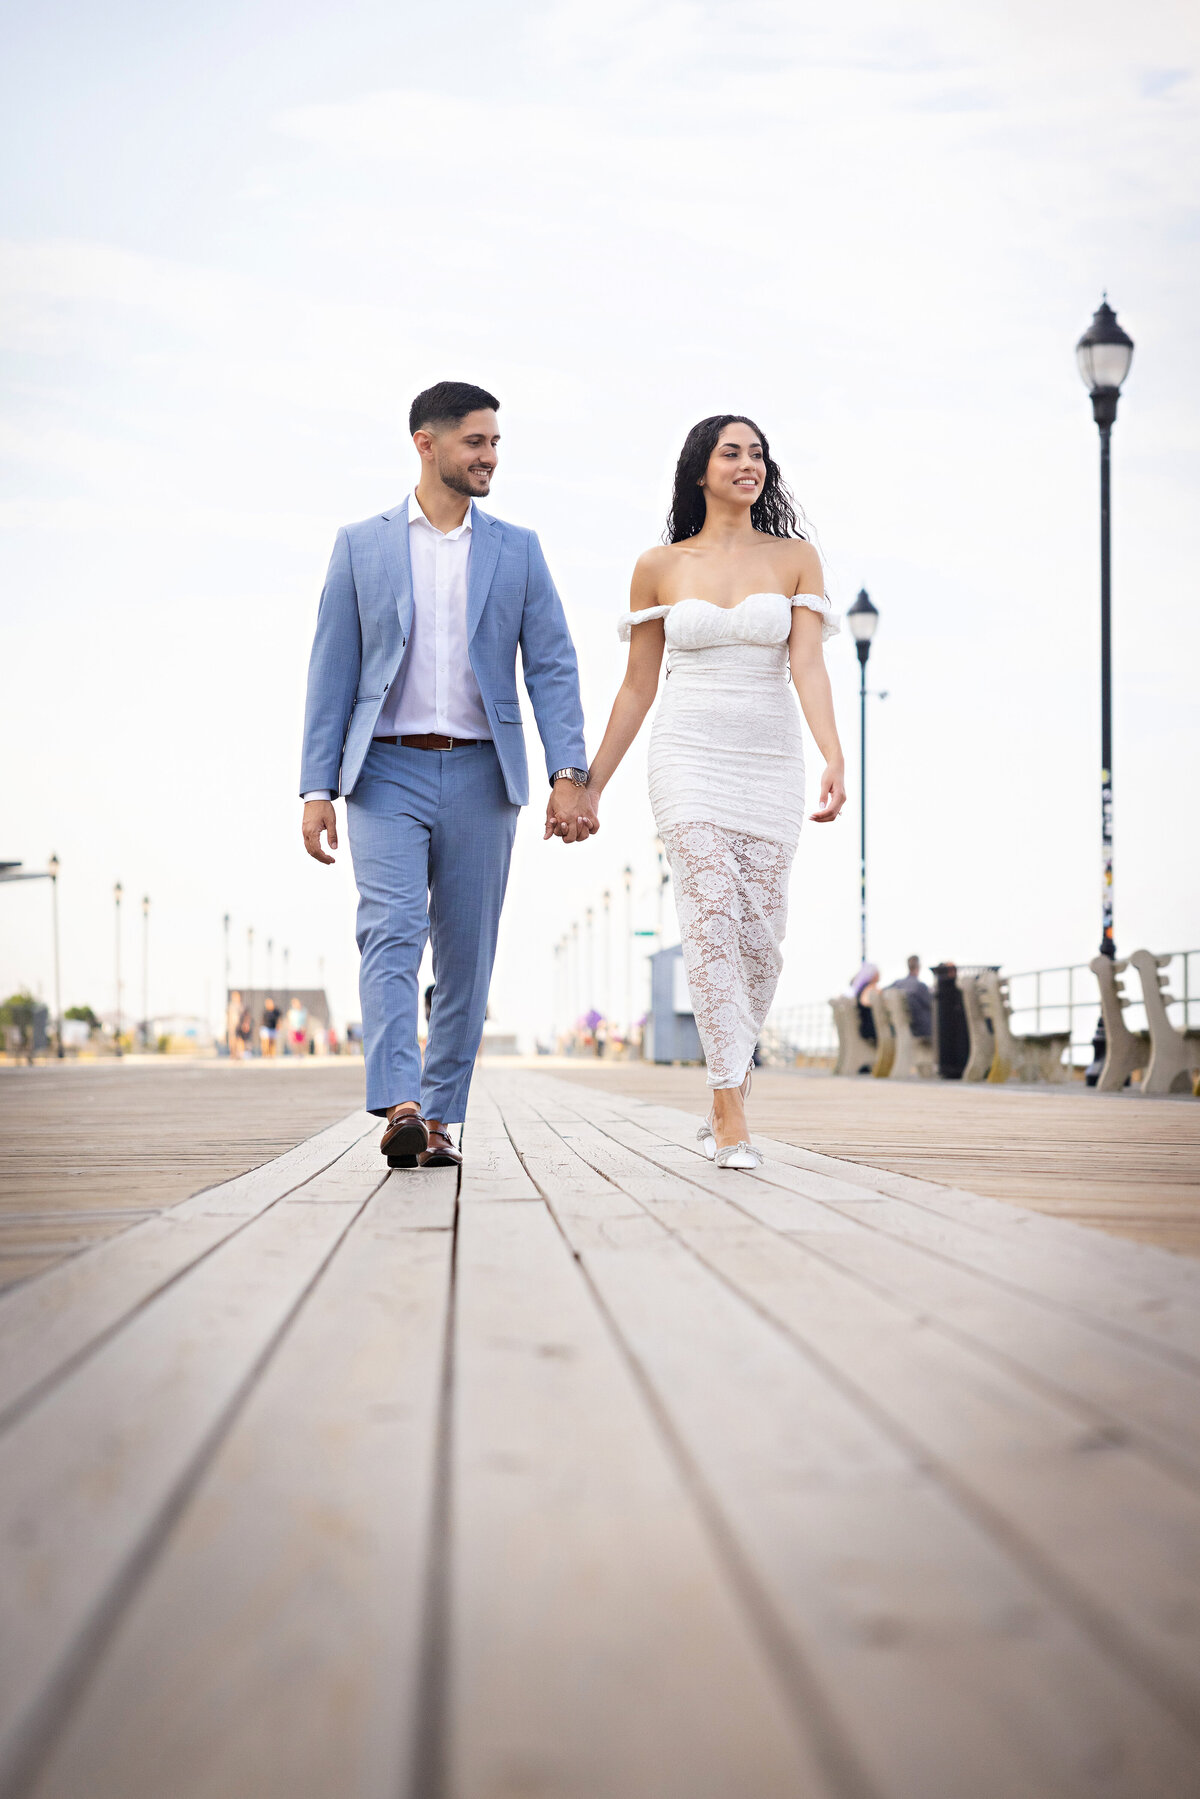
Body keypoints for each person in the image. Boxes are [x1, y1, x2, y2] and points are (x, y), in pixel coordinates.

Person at [300, 380, 594, 1170]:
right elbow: (332, 672)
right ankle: (400, 1102)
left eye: (496, 442)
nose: (490, 456)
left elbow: (554, 667)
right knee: (389, 933)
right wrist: (315, 787)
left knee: (466, 955)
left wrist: (571, 770)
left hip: (481, 775)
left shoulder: (518, 549)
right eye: (476, 442)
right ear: (426, 444)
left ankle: (440, 1119)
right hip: (384, 771)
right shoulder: (361, 545)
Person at [583, 414, 846, 1167]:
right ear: (700, 469)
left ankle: (727, 1080)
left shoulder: (797, 558)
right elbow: (637, 686)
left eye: (758, 453)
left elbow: (809, 666)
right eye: (731, 452)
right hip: (687, 752)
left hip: (769, 757)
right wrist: (591, 785)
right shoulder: (660, 565)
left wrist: (834, 755)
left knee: (760, 940)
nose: (748, 463)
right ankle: (730, 1104)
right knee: (708, 916)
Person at [889, 955, 933, 1040]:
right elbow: (933, 1005)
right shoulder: (920, 986)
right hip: (921, 1031)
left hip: (901, 1030)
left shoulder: (897, 984)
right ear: (919, 966)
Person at [851, 962, 880, 1046]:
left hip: (865, 1028)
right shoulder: (870, 988)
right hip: (870, 1030)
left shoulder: (861, 989)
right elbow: (865, 1002)